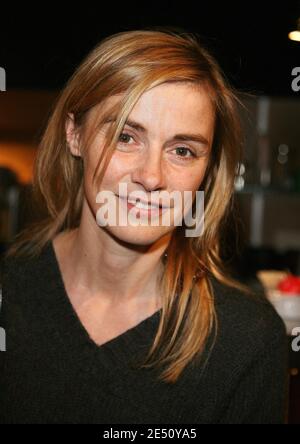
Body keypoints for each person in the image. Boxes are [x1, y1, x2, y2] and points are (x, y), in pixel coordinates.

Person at [0, 28, 288, 424]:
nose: (152, 177)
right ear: (74, 134)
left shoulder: (247, 340)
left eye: (182, 150)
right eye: (126, 136)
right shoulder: (9, 290)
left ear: (206, 171)